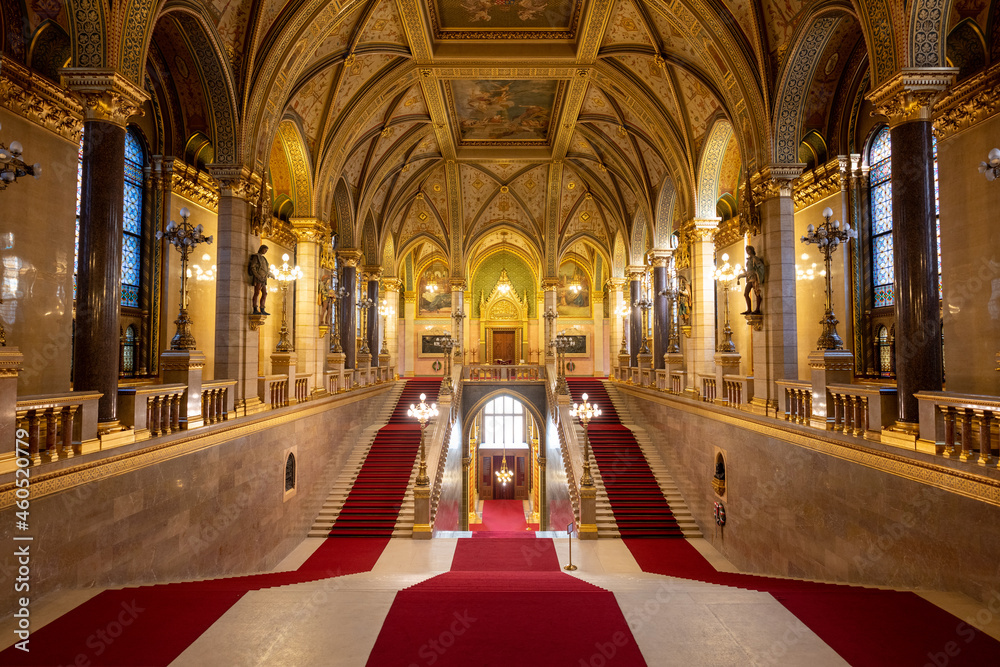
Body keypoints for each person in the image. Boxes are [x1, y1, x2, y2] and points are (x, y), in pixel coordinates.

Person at [737, 245, 764, 315]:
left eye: (748, 250)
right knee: (746, 294)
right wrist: (740, 276)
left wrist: (758, 274)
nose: (747, 252)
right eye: (746, 250)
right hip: (749, 278)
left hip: (754, 278)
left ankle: (757, 309)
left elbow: (760, 266)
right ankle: (749, 309)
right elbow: (748, 272)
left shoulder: (755, 259)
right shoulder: (748, 260)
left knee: (756, 293)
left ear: (752, 250)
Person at [248, 245, 270, 315]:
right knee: (257, 293)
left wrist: (270, 274)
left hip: (263, 278)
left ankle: (262, 308)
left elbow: (265, 269)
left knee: (265, 293)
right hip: (258, 278)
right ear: (261, 249)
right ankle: (255, 308)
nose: (265, 252)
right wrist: (257, 276)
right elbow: (253, 267)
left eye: (266, 250)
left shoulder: (264, 258)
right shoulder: (256, 257)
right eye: (264, 250)